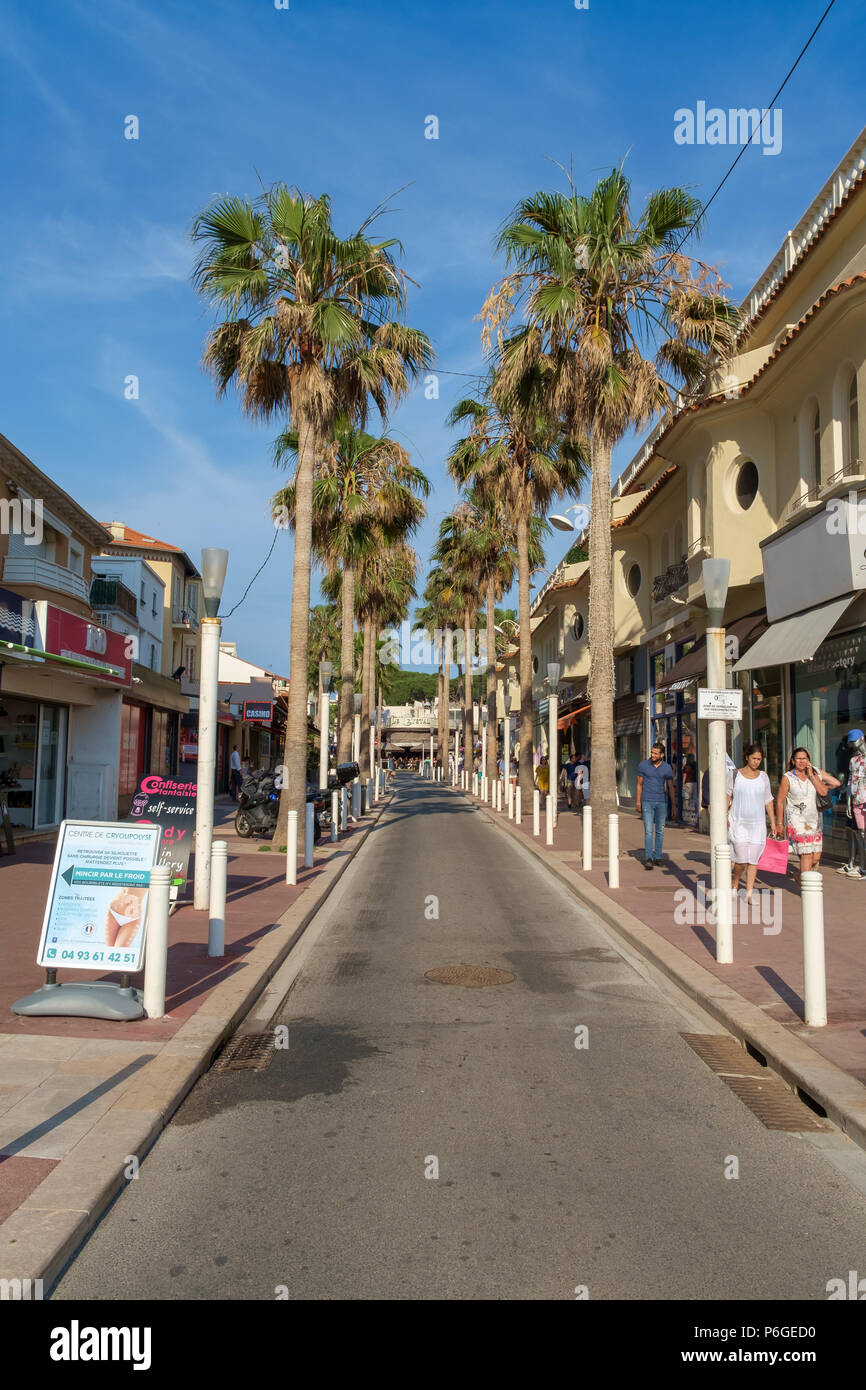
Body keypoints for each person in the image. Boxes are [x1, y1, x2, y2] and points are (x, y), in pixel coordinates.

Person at [775, 747, 841, 884]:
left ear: (808, 760)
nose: (801, 761)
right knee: (806, 854)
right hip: (797, 821)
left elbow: (826, 790)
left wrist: (812, 775)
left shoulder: (814, 773)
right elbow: (780, 801)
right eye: (798, 758)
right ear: (793, 760)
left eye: (804, 758)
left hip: (814, 820)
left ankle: (800, 875)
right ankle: (806, 887)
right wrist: (779, 823)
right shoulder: (788, 777)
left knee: (815, 857)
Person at [727, 744, 778, 904]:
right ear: (746, 757)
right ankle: (735, 883)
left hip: (758, 824)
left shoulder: (763, 777)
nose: (756, 762)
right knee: (741, 860)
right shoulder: (735, 775)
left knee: (753, 861)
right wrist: (724, 817)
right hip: (739, 823)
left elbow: (768, 800)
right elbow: (727, 796)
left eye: (759, 759)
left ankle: (749, 893)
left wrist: (774, 823)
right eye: (754, 758)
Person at [636, 742, 676, 869]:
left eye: (655, 753)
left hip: (661, 802)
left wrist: (673, 806)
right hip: (647, 801)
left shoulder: (667, 768)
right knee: (648, 830)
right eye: (652, 752)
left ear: (662, 755)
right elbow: (639, 784)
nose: (652, 755)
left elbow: (670, 787)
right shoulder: (643, 765)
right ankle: (649, 858)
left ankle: (658, 857)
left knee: (660, 830)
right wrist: (638, 802)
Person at [838, 729, 866, 879]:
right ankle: (862, 866)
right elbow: (850, 782)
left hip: (864, 799)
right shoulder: (853, 760)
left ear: (862, 738)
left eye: (854, 740)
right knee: (859, 833)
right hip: (857, 801)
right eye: (851, 741)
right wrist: (848, 801)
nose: (852, 744)